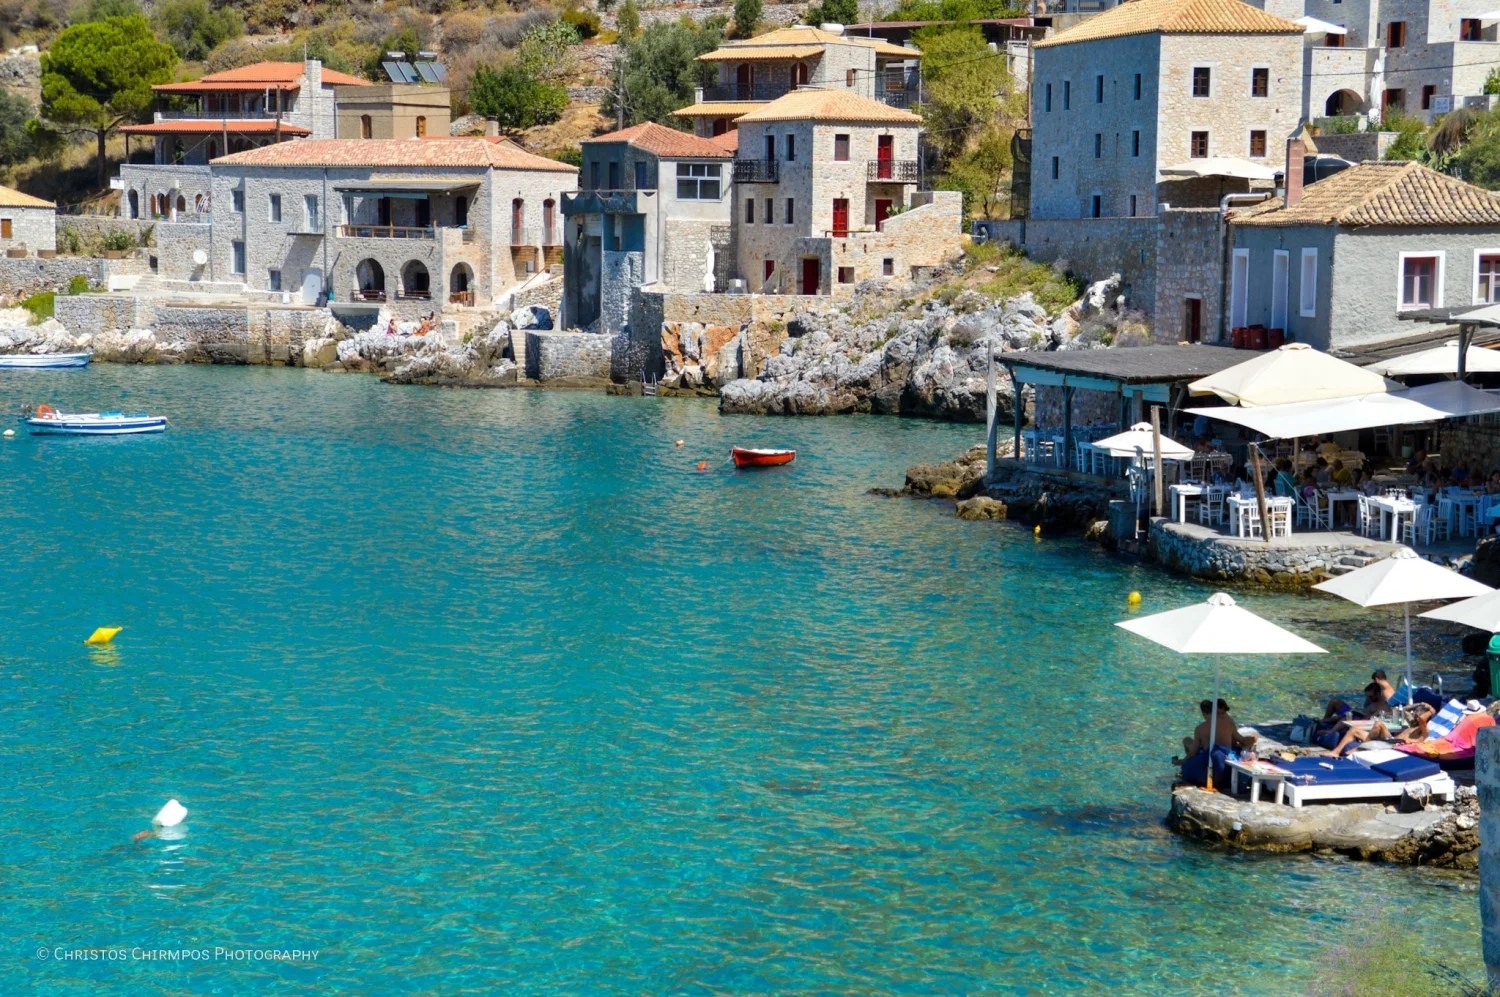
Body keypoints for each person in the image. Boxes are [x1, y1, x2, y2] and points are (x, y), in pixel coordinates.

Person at [1322, 702, 1435, 757]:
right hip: (1391, 740)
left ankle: (1359, 749)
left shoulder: (1424, 731)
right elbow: (1402, 710)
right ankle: (1335, 752)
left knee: (1379, 724)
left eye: (1419, 712)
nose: (1415, 714)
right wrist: (1418, 704)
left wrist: (1431, 711)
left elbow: (1422, 719)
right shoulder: (1413, 724)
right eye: (1416, 712)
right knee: (1354, 729)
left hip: (1397, 746)